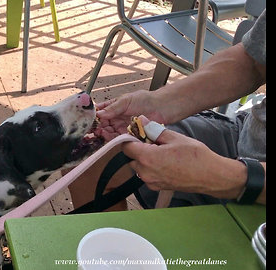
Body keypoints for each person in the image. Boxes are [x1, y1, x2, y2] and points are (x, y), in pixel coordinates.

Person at [69, 10, 266, 209]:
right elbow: (253, 61)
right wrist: (157, 103)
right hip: (246, 140)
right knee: (90, 156)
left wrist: (225, 177)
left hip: (253, 191)